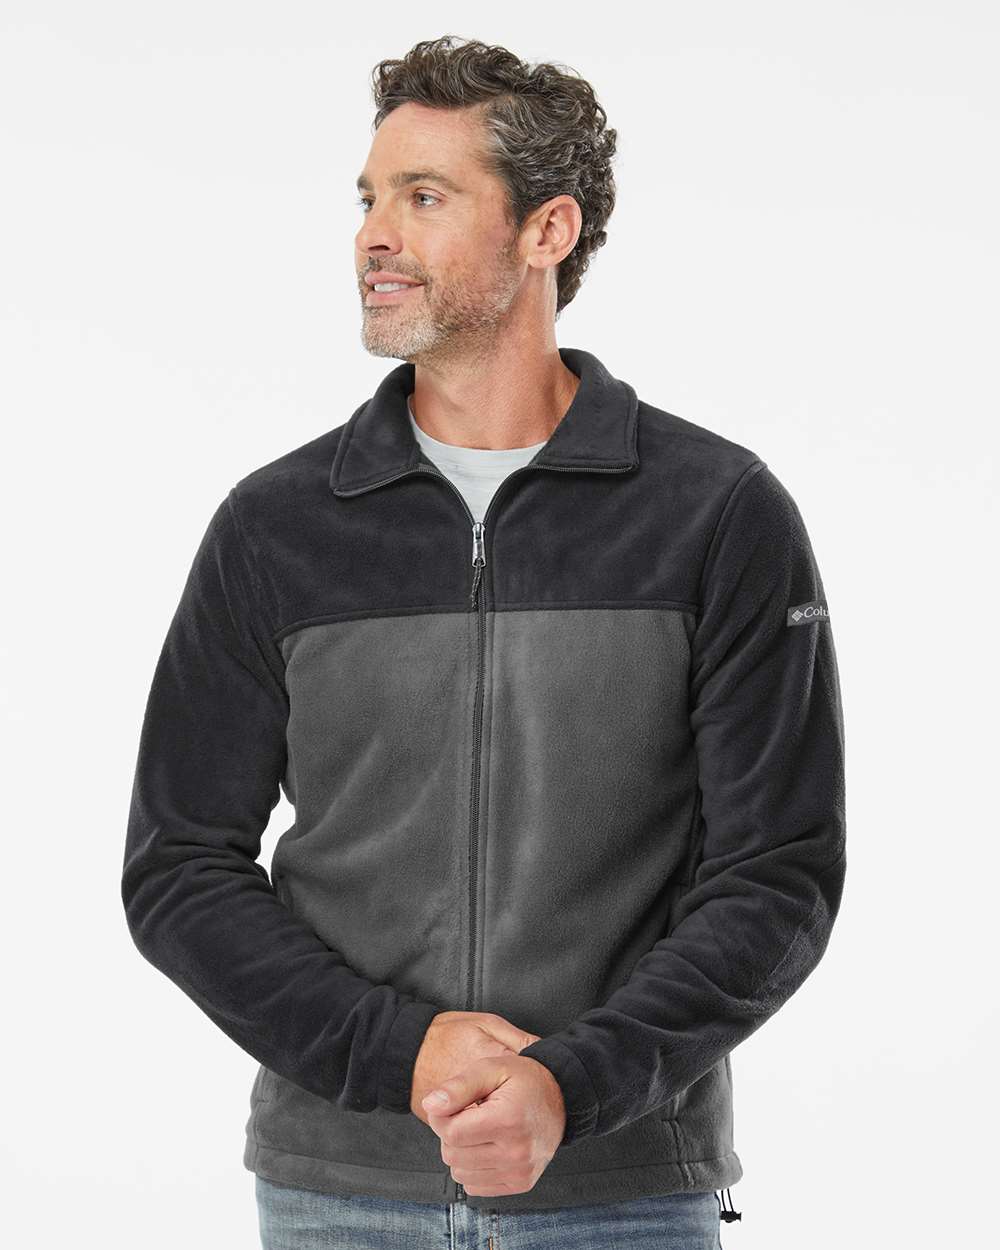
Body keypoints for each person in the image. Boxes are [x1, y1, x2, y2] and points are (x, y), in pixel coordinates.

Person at [122, 33, 846, 1250]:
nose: (373, 235)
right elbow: (178, 865)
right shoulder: (277, 528)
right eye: (367, 198)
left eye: (423, 196)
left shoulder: (715, 513)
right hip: (337, 1191)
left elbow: (777, 872)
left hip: (621, 1193)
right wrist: (399, 1049)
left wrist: (573, 1081)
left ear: (546, 230)